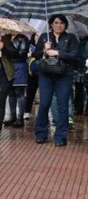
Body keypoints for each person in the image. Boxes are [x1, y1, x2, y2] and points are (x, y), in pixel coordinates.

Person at [32, 14, 80, 147]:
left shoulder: (70, 38)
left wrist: (57, 52)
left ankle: (60, 136)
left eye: (62, 23)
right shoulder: (44, 37)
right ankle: (41, 134)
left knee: (63, 106)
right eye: (56, 23)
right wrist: (44, 49)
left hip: (64, 75)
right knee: (44, 104)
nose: (59, 25)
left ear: (65, 25)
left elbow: (75, 56)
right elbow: (35, 55)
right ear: (51, 24)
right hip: (46, 74)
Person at [6, 33, 31, 128]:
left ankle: (20, 117)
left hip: (19, 65)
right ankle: (12, 116)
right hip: (9, 66)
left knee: (19, 92)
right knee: (11, 93)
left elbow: (22, 53)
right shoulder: (6, 37)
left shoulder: (22, 38)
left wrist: (7, 50)